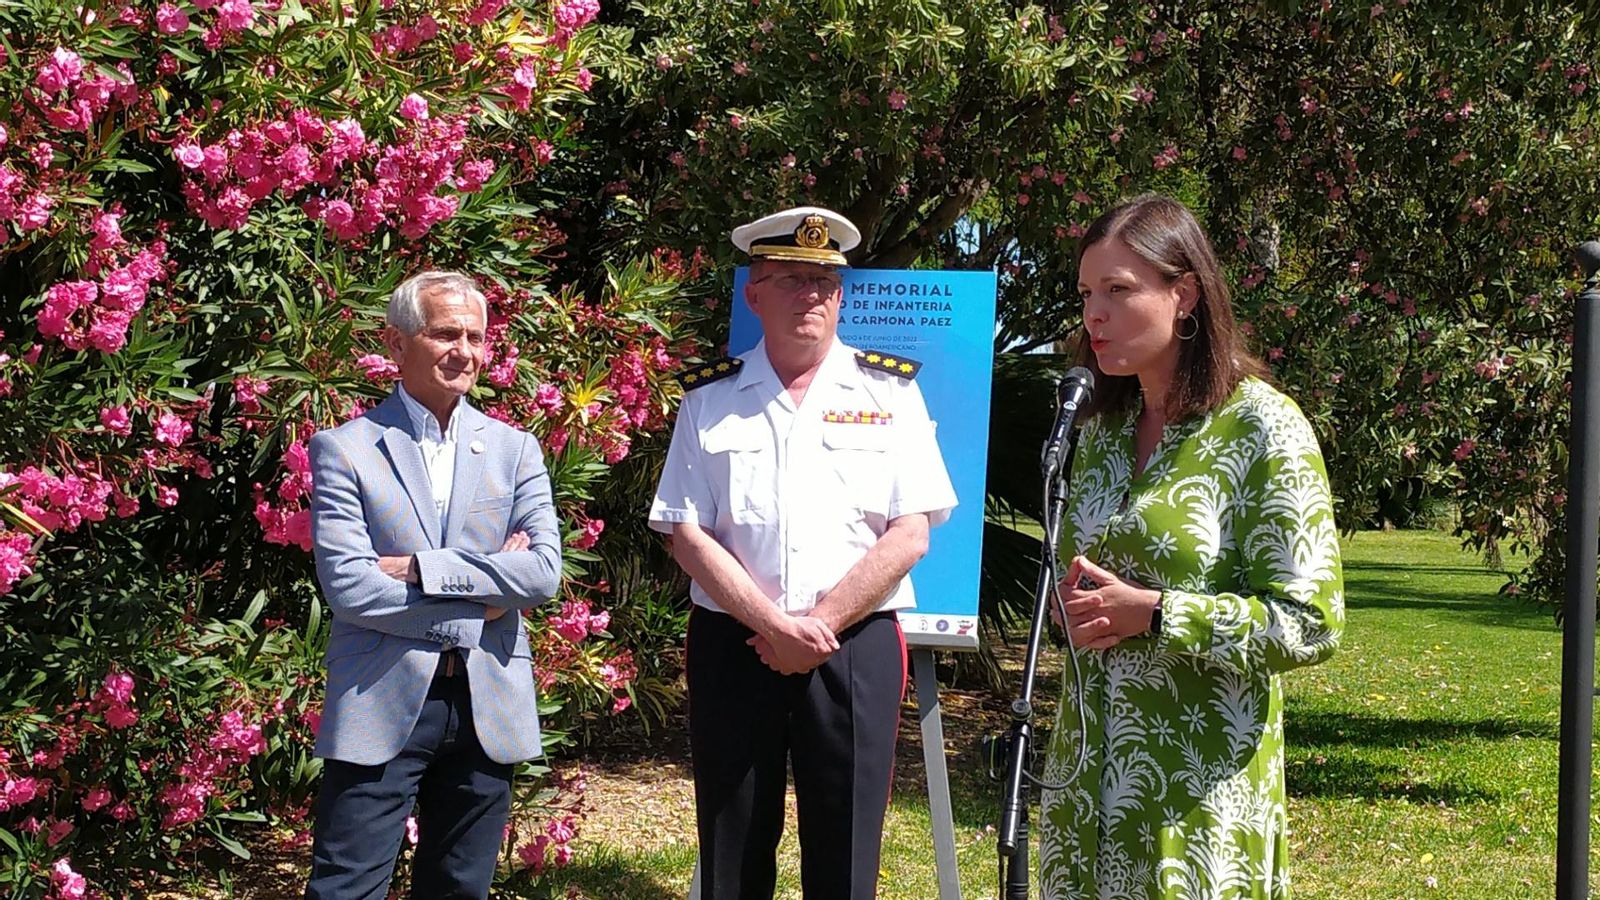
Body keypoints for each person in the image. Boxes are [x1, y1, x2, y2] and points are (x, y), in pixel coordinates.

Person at [1037, 194, 1344, 899]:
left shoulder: (1263, 428)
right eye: (1087, 293)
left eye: (1119, 290)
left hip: (1197, 805)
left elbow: (1311, 623)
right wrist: (1070, 609)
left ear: (1185, 295)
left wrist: (1156, 613)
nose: (1095, 315)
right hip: (1083, 797)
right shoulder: (1101, 429)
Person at [649, 206, 957, 899]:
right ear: (754, 293)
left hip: (854, 647)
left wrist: (818, 625)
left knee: (847, 851)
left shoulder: (891, 393)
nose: (811, 295)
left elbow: (911, 531)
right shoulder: (710, 399)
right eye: (791, 280)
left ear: (843, 294)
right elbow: (687, 534)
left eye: (824, 281)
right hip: (735, 643)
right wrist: (772, 623)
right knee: (732, 844)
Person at [303, 271, 562, 900]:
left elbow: (543, 571)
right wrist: (485, 596)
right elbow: (350, 587)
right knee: (346, 887)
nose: (466, 351)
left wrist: (418, 567)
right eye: (446, 333)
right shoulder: (346, 449)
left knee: (460, 888)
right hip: (380, 698)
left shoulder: (514, 449)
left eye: (476, 336)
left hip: (486, 704)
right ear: (396, 343)